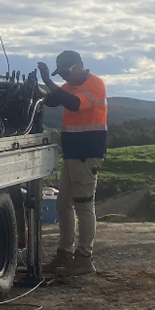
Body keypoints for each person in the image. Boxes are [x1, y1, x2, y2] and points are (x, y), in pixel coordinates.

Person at [37, 50, 107, 275]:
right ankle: (65, 254)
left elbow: (74, 104)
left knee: (84, 206)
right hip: (72, 153)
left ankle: (84, 257)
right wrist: (36, 89)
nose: (64, 79)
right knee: (63, 204)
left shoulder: (95, 84)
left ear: (78, 66)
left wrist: (48, 81)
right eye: (61, 76)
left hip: (86, 154)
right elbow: (53, 100)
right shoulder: (70, 86)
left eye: (66, 73)